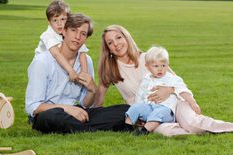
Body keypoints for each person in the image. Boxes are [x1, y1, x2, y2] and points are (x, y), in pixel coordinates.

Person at [95, 24, 233, 136]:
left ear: (127, 38)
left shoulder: (148, 58)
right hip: (149, 113)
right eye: (110, 42)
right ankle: (185, 127)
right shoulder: (110, 70)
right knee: (166, 131)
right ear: (108, 49)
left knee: (192, 124)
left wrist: (169, 90)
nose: (116, 44)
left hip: (174, 102)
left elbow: (177, 81)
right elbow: (98, 101)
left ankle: (223, 127)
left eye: (119, 37)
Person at [26, 14, 130, 134]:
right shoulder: (42, 61)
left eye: (83, 33)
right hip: (49, 112)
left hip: (76, 112)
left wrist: (92, 90)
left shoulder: (86, 61)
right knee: (51, 117)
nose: (77, 37)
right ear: (64, 31)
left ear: (86, 38)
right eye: (73, 30)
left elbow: (85, 104)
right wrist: (67, 109)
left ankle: (79, 128)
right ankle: (88, 130)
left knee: (125, 110)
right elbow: (32, 106)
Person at [125, 45, 200, 134]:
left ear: (168, 65)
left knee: (158, 113)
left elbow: (183, 90)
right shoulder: (146, 79)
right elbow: (139, 95)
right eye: (156, 66)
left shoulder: (172, 79)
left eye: (163, 65)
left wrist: (193, 102)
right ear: (147, 66)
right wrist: (138, 108)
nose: (160, 69)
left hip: (166, 110)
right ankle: (127, 127)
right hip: (149, 107)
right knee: (135, 107)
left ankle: (144, 131)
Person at [35, 0, 88, 81]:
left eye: (63, 19)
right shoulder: (48, 35)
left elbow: (82, 51)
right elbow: (56, 54)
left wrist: (84, 73)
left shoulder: (68, 31)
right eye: (55, 20)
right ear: (49, 22)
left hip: (58, 63)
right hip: (42, 67)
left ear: (68, 19)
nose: (59, 23)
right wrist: (71, 71)